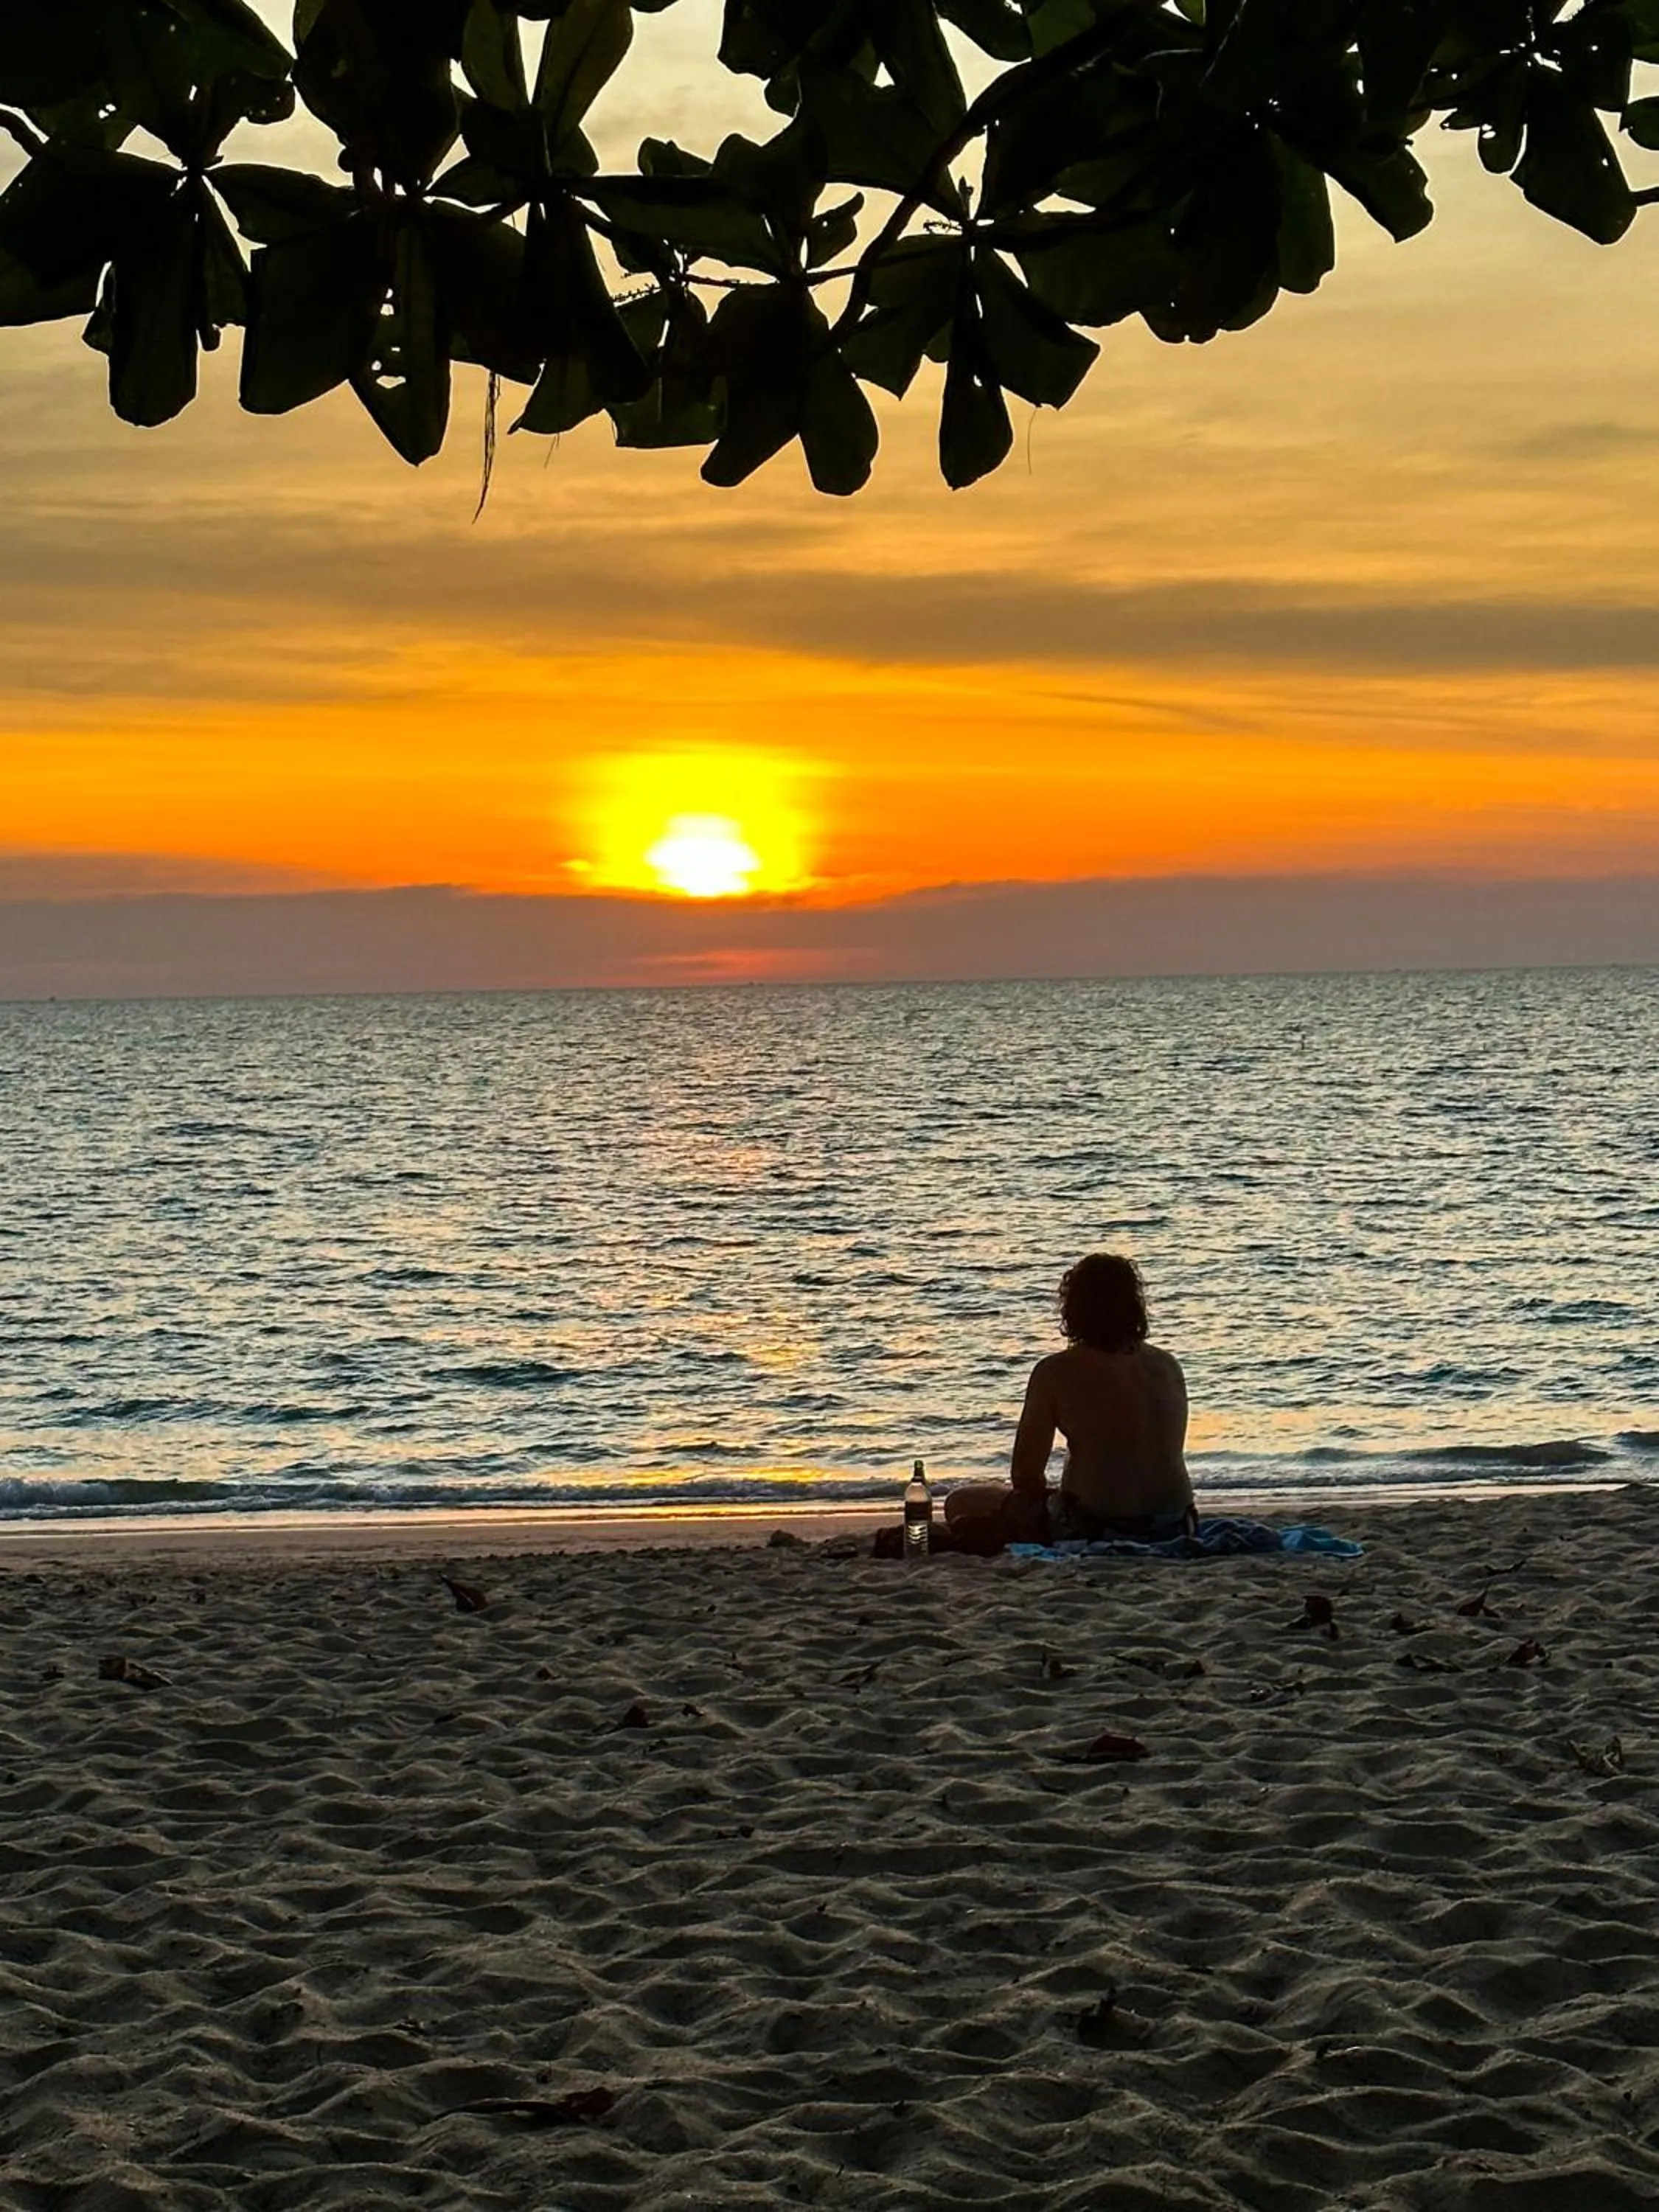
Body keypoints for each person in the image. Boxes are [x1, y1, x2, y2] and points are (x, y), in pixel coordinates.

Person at [946, 1253, 1196, 1548]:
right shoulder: (1167, 1365)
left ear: (1072, 1308)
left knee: (960, 1501)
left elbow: (1026, 1477)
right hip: (1178, 1522)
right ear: (1135, 1305)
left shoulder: (1055, 1371)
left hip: (1096, 1525)